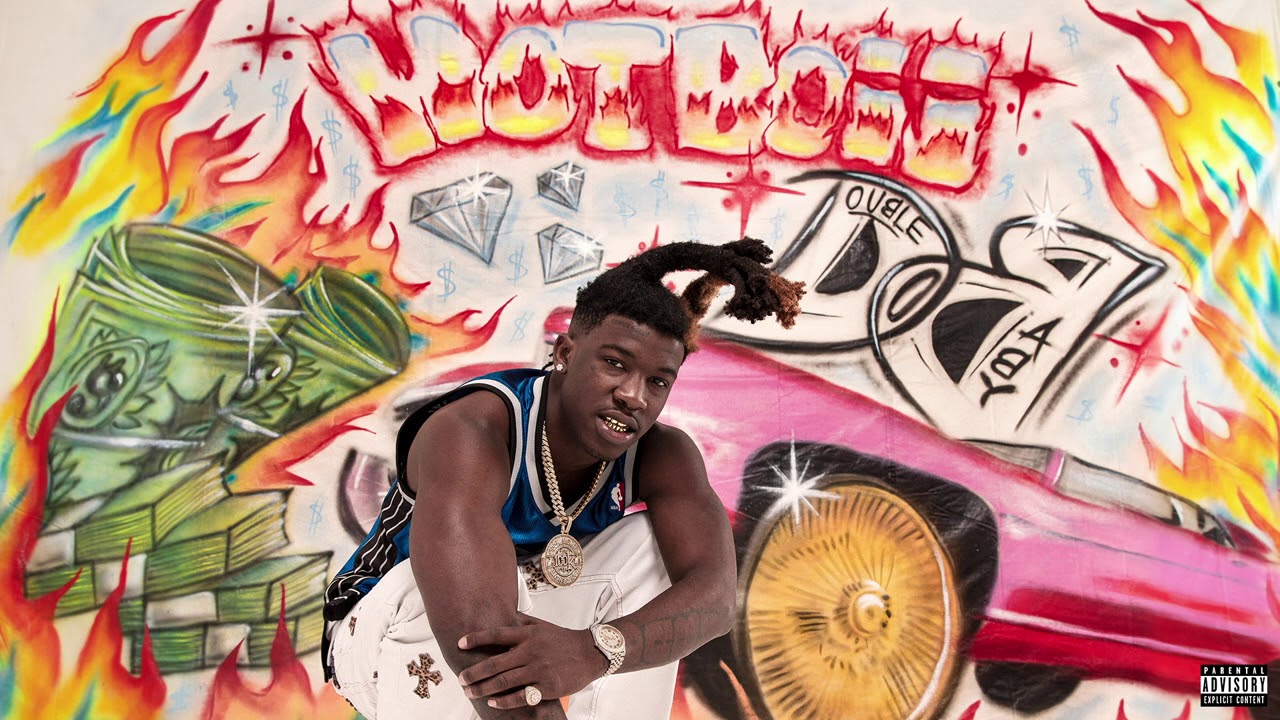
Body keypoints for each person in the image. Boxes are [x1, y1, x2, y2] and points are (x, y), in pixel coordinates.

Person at [321, 238, 805, 719]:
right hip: (381, 631)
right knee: (433, 591)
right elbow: (478, 635)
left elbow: (714, 600)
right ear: (567, 353)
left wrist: (594, 651)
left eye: (658, 381)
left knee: (651, 546)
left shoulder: (661, 453)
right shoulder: (474, 430)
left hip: (523, 609)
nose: (634, 396)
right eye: (615, 363)